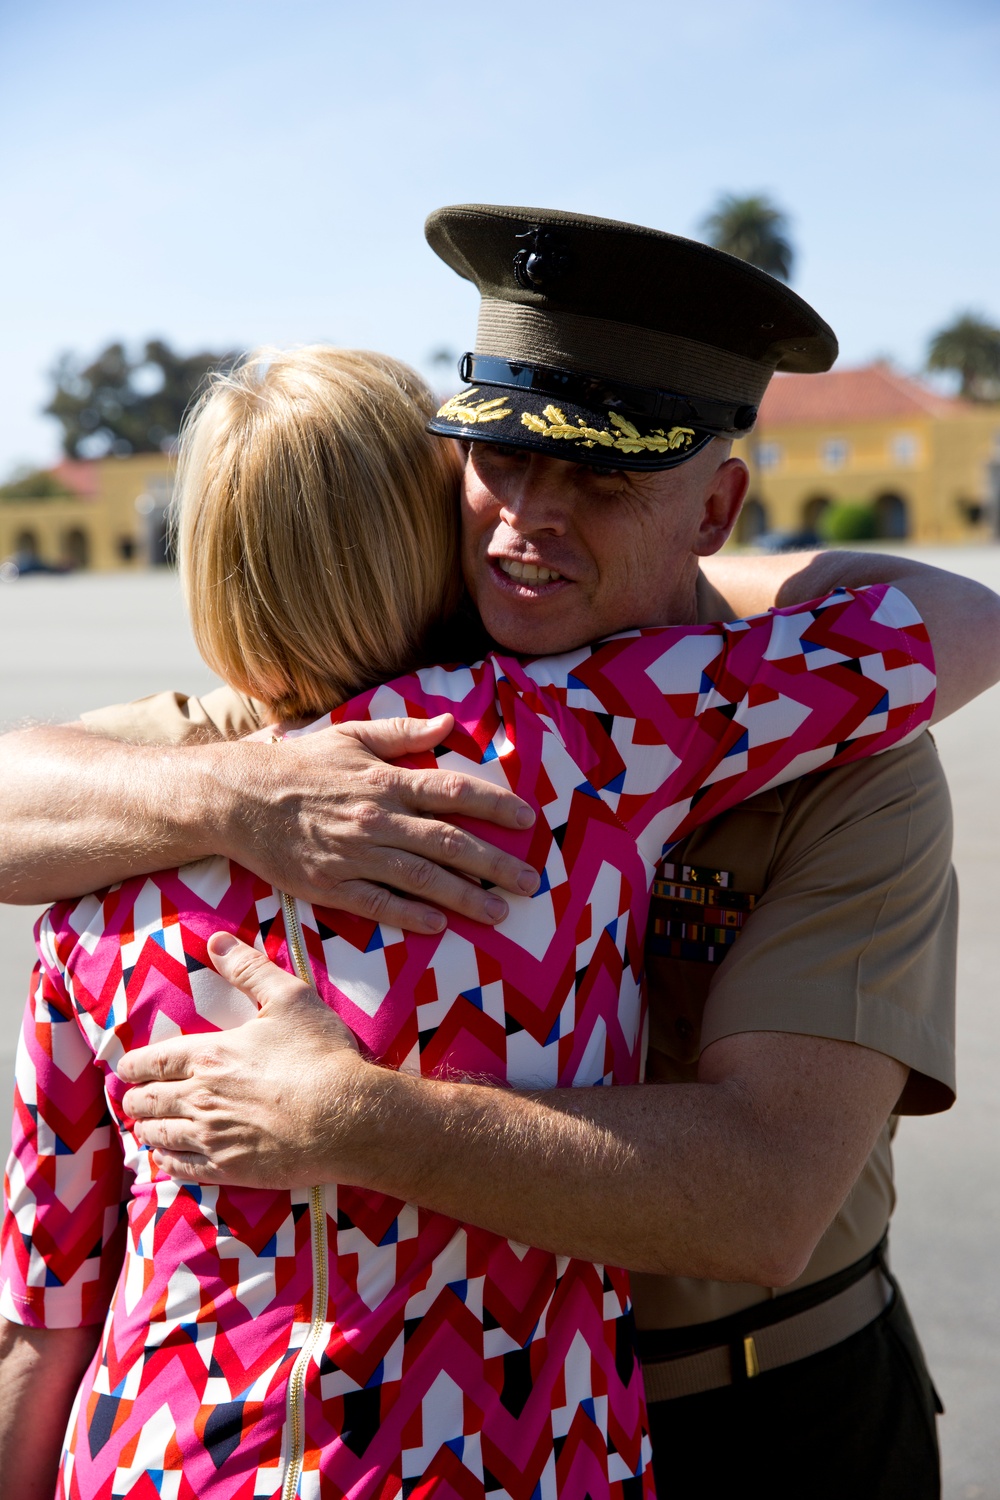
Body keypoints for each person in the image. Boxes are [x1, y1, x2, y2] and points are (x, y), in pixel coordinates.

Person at [0, 206, 996, 1500]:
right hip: (513, 1435)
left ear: (719, 509)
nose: (529, 518)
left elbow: (761, 1200)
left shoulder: (805, 742)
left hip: (755, 1409)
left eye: (603, 479)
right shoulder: (310, 732)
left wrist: (359, 1122)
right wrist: (241, 796)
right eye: (500, 463)